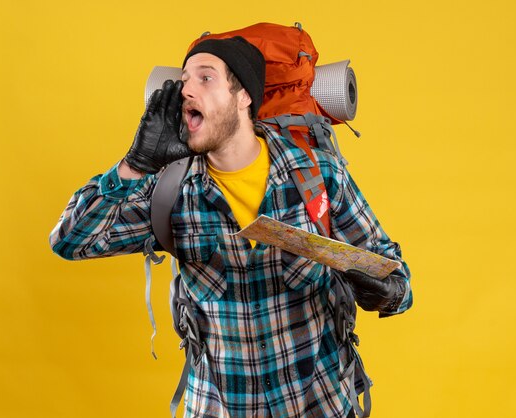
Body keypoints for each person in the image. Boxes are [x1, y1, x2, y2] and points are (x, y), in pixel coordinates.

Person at [50, 36, 413, 418]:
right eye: (184, 79)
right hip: (219, 407)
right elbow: (70, 241)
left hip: (319, 404)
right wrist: (135, 164)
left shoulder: (316, 174)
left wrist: (385, 290)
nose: (186, 89)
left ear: (243, 97)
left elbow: (397, 279)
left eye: (205, 78)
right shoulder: (171, 191)